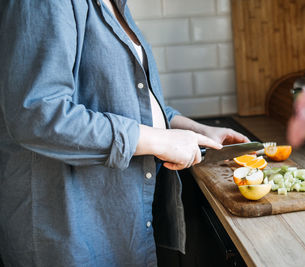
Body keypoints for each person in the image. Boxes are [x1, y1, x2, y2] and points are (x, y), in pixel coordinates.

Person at [0, 1, 250, 266]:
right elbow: (38, 115)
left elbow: (126, 98)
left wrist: (191, 128)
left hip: (114, 218)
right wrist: (159, 140)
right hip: (66, 224)